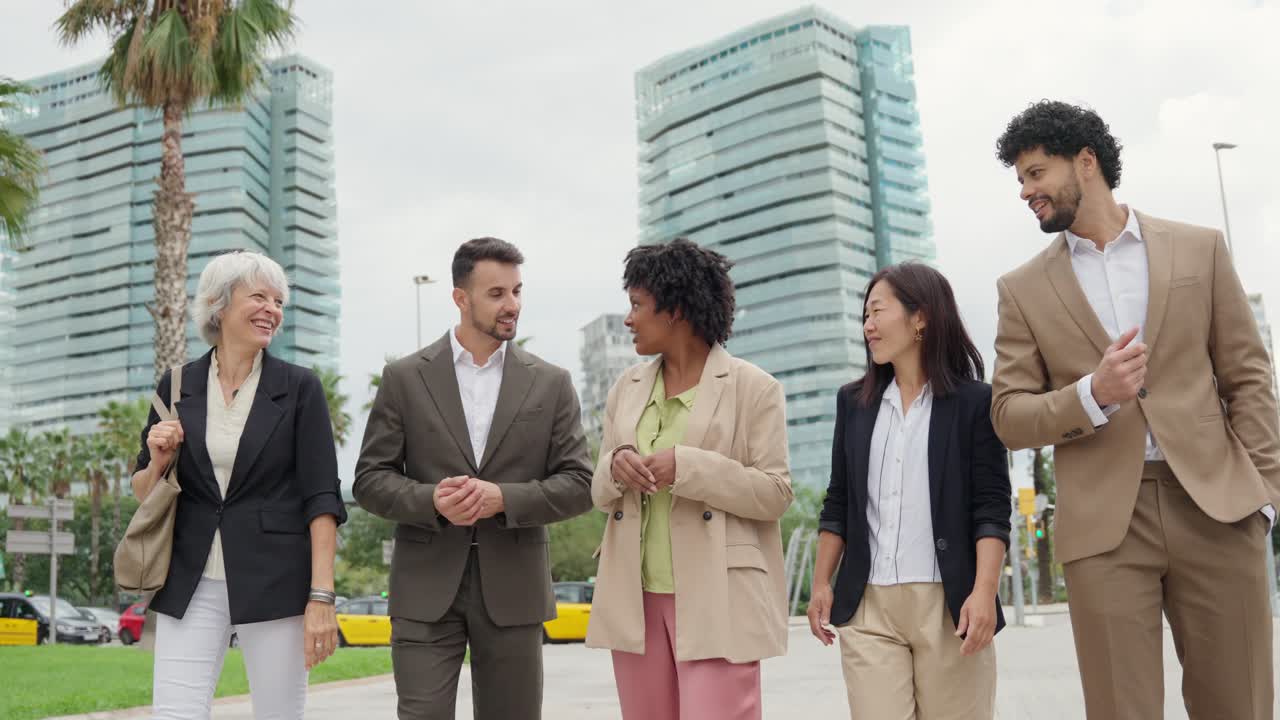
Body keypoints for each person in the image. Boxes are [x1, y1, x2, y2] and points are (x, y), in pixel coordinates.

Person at [991, 100, 1280, 719]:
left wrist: (1265, 493)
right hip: (1104, 526)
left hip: (1217, 508)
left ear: (1086, 162)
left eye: (1036, 173)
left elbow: (1249, 378)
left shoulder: (1198, 249)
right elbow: (1008, 415)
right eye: (1019, 179)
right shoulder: (1021, 288)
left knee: (1241, 702)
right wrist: (1092, 394)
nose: (1025, 191)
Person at [354, 237, 594, 720]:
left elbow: (581, 483)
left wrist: (502, 498)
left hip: (515, 589)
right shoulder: (403, 377)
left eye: (517, 292)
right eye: (497, 293)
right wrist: (431, 501)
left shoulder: (551, 382)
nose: (512, 306)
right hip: (425, 589)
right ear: (460, 298)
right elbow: (370, 479)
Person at [585, 238, 793, 720]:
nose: (628, 318)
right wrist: (616, 466)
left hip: (718, 596)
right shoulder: (627, 388)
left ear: (675, 309)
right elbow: (598, 492)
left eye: (637, 305)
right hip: (634, 597)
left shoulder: (753, 388)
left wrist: (690, 467)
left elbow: (775, 493)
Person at [135, 250, 347, 720]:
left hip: (277, 581)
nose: (272, 309)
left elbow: (321, 499)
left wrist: (321, 596)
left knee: (278, 714)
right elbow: (145, 494)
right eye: (259, 296)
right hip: (189, 578)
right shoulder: (175, 386)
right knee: (174, 714)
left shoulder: (300, 388)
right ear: (219, 304)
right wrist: (158, 458)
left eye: (278, 301)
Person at [807, 262, 1010, 719]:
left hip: (948, 604)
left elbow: (991, 509)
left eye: (878, 311)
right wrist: (822, 582)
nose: (868, 326)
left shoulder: (975, 404)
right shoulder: (853, 404)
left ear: (920, 318)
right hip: (869, 606)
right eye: (865, 316)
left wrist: (983, 591)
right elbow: (838, 499)